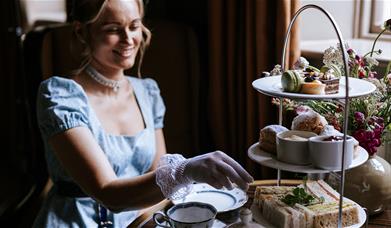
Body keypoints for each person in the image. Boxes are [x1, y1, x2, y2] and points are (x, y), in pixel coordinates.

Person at [33, 0, 253, 227]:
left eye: (134, 26)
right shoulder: (61, 96)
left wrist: (142, 222)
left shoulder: (147, 91)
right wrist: (186, 170)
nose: (128, 39)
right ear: (82, 32)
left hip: (139, 221)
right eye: (113, 29)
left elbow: (159, 179)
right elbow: (107, 193)